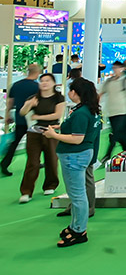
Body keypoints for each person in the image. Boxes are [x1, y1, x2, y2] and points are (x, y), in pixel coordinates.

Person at [43, 77, 100, 247]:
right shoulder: (88, 110)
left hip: (74, 155)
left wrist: (54, 135)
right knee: (77, 194)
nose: (68, 93)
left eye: (70, 90)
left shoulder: (81, 113)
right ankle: (75, 226)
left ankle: (79, 230)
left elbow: (77, 138)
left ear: (75, 92)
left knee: (77, 195)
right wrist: (62, 128)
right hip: (80, 154)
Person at [18, 73, 65, 203]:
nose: (44, 83)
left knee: (51, 159)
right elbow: (22, 112)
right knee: (32, 162)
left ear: (53, 83)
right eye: (42, 81)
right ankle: (26, 192)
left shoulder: (59, 98)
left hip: (51, 131)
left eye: (47, 80)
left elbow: (57, 115)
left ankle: (50, 185)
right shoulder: (33, 98)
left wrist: (38, 117)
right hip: (34, 133)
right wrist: (29, 105)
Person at [1, 64, 41, 176]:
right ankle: (35, 162)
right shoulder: (37, 87)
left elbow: (10, 102)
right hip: (33, 119)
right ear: (37, 73)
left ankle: (5, 163)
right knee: (35, 143)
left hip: (20, 118)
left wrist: (7, 115)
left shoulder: (16, 85)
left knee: (15, 142)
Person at [100, 61, 126, 163]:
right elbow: (101, 93)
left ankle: (108, 155)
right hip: (112, 112)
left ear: (122, 68)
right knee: (120, 133)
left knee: (115, 133)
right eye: (114, 68)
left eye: (117, 68)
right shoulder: (109, 81)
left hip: (124, 111)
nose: (115, 70)